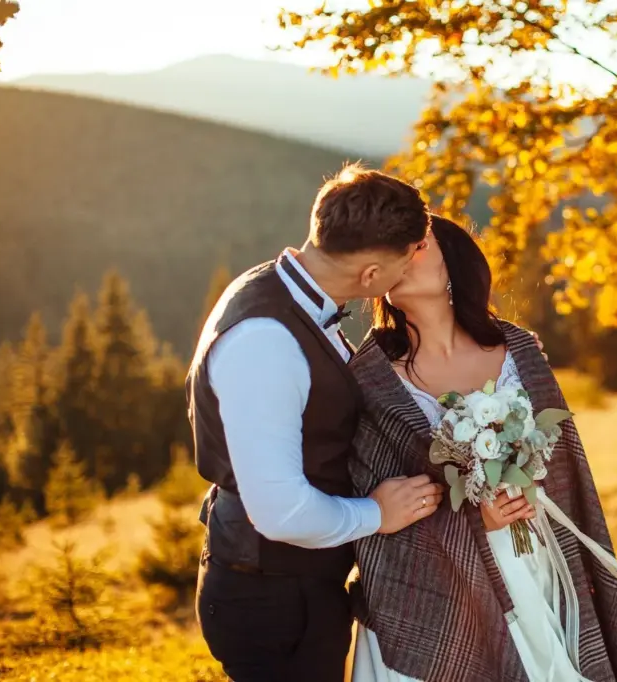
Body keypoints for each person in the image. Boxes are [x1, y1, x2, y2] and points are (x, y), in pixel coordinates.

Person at [347, 215, 617, 681]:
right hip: (439, 591)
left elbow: (565, 464)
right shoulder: (370, 379)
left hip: (536, 562)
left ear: (454, 266)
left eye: (418, 246)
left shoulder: (519, 351)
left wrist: (525, 483)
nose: (400, 257)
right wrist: (475, 519)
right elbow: (373, 503)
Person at [187, 163, 445, 681]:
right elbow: (280, 512)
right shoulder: (267, 341)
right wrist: (376, 514)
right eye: (405, 260)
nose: (410, 269)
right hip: (273, 599)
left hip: (295, 587)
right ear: (370, 275)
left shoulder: (287, 292)